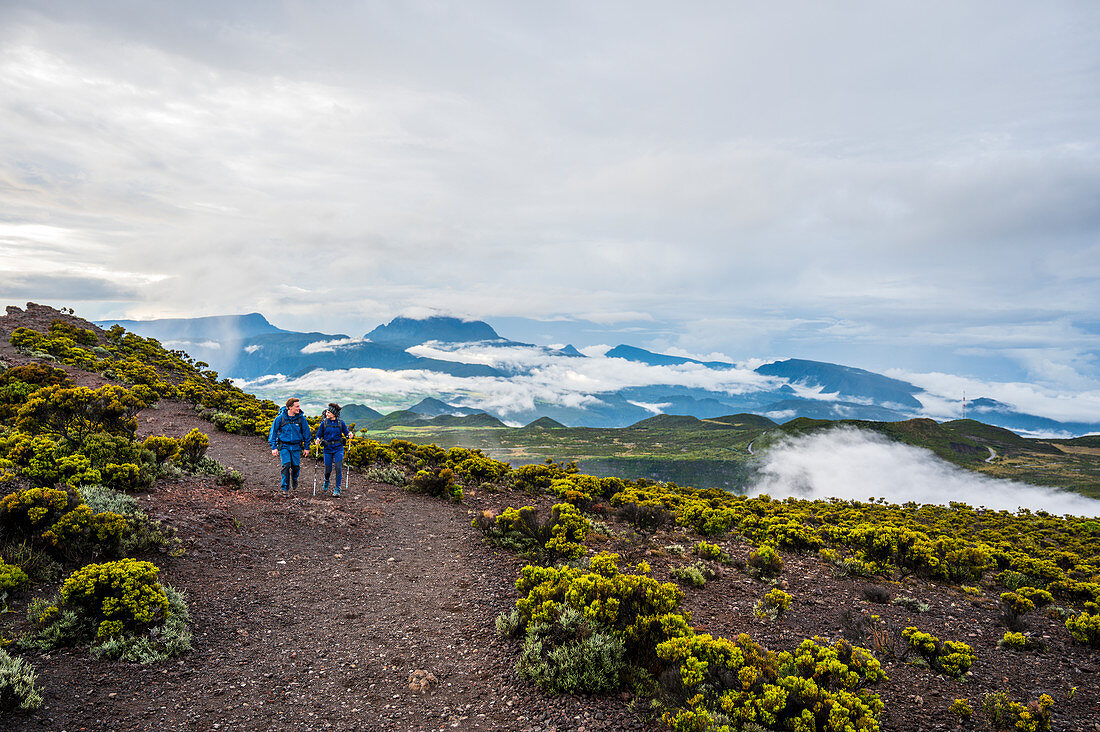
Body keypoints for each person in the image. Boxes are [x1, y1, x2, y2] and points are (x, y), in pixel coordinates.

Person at [269, 397, 311, 493]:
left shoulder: (301, 419)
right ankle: (285, 488)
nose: (299, 408)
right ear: (290, 407)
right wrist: (274, 447)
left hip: (296, 446)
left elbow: (306, 434)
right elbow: (273, 433)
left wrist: (306, 447)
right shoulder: (280, 419)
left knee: (295, 466)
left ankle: (295, 479)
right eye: (297, 406)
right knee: (286, 465)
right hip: (284, 446)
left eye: (299, 406)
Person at [313, 402, 351, 497]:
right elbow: (318, 435)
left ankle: (337, 488)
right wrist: (317, 439)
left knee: (338, 468)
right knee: (328, 469)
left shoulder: (341, 423)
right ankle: (327, 480)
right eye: (327, 412)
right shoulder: (324, 423)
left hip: (338, 448)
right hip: (327, 449)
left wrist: (349, 435)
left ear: (334, 414)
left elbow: (346, 434)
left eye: (329, 412)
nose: (327, 413)